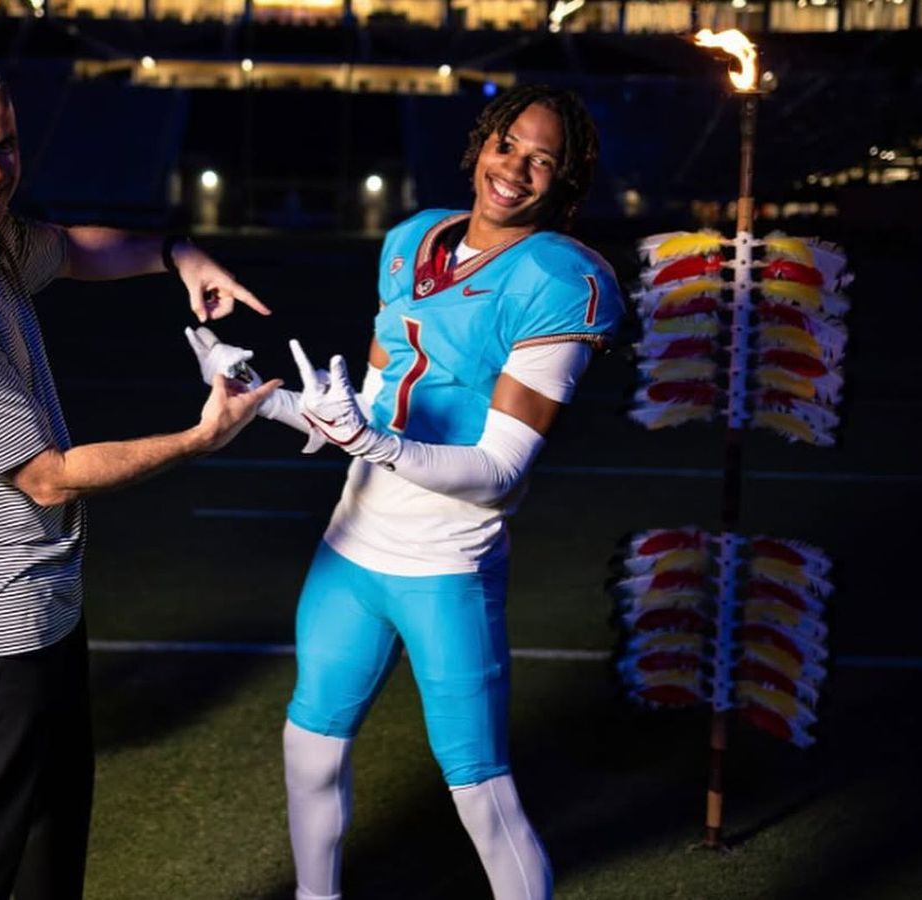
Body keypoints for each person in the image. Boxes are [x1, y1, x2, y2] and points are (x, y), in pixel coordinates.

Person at [188, 84, 624, 899]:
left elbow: (500, 469)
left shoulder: (559, 281)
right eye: (508, 145)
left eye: (542, 161)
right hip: (349, 554)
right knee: (308, 749)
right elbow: (365, 409)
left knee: (481, 794)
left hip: (444, 567)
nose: (516, 170)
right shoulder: (413, 242)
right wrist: (257, 393)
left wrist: (374, 441)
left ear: (564, 180)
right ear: (482, 143)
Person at [0, 59, 279, 900]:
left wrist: (176, 251)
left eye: (5, 144)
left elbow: (73, 251)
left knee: (52, 838)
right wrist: (201, 437)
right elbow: (49, 479)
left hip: (38, 603)